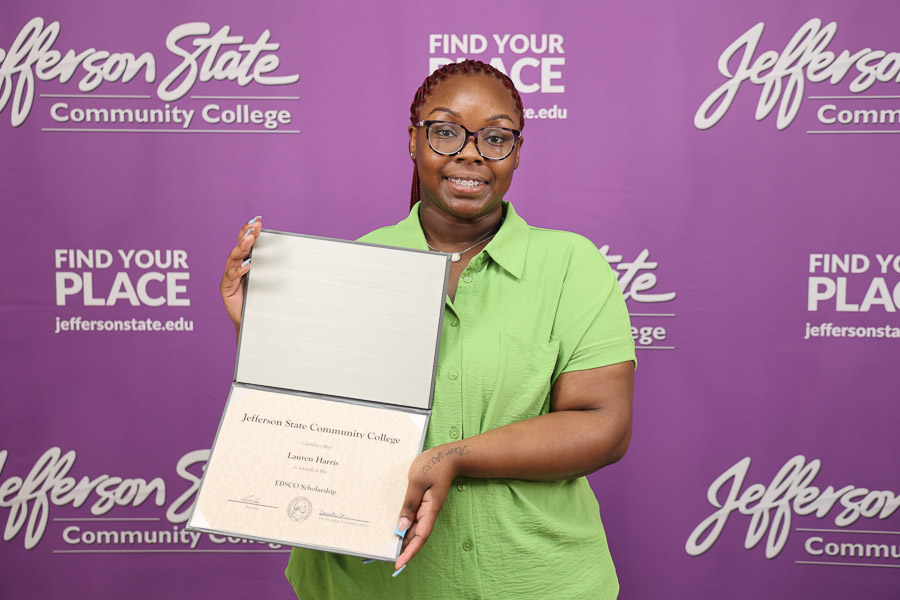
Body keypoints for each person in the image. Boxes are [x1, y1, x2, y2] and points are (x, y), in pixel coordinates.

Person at [220, 59, 635, 600]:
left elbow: (604, 425)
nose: (471, 153)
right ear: (413, 141)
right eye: (446, 131)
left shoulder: (570, 265)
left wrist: (453, 456)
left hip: (535, 581)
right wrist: (262, 336)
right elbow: (307, 428)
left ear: (516, 153)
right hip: (371, 585)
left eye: (495, 138)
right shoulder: (356, 264)